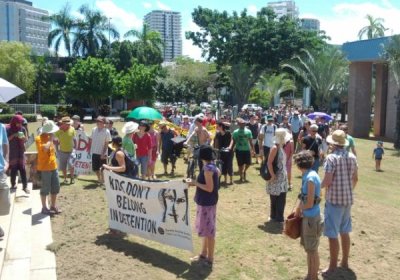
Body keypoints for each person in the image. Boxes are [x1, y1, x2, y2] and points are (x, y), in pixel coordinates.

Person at [321, 129, 358, 276]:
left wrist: (317, 187)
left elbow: (328, 180)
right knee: (345, 231)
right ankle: (344, 262)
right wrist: (348, 190)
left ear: (333, 144)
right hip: (347, 200)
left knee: (332, 234)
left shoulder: (331, 158)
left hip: (334, 200)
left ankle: (332, 267)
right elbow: (355, 178)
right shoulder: (352, 157)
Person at [187, 144, 221, 269]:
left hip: (207, 202)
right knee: (206, 229)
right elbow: (217, 175)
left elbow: (209, 188)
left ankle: (210, 258)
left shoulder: (208, 169)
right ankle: (203, 254)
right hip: (207, 202)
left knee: (209, 231)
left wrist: (195, 183)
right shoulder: (212, 166)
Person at [293, 151, 323, 280]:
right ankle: (310, 275)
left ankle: (313, 276)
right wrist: (299, 208)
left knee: (312, 251)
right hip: (309, 218)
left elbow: (310, 203)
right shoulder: (310, 174)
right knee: (310, 250)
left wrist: (299, 210)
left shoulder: (310, 179)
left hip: (311, 219)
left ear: (300, 164)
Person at [36, 121, 62, 215]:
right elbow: (45, 148)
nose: (53, 133)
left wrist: (53, 141)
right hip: (44, 168)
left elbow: (52, 150)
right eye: (51, 132)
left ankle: (53, 206)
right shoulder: (39, 138)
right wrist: (51, 139)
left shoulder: (50, 138)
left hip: (53, 166)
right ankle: (44, 208)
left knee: (55, 187)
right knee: (45, 188)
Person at [266, 128, 289, 223]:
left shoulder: (280, 147)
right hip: (276, 176)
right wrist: (272, 175)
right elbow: (269, 163)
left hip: (282, 177)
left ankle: (277, 216)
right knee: (276, 197)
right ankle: (276, 217)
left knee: (280, 197)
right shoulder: (275, 148)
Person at [6, 115, 28, 193]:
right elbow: (6, 140)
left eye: (21, 123)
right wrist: (14, 135)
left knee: (23, 169)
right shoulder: (8, 129)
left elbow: (26, 139)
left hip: (21, 151)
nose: (20, 124)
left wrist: (23, 138)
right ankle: (13, 185)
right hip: (12, 152)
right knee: (13, 169)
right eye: (18, 123)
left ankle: (25, 186)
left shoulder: (22, 128)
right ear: (14, 122)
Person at [229, 118, 254, 182]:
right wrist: (230, 148)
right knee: (240, 164)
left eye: (244, 123)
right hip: (239, 150)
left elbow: (251, 141)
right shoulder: (235, 132)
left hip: (247, 150)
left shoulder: (248, 131)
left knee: (248, 163)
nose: (243, 124)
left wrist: (253, 150)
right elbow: (233, 141)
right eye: (241, 123)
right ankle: (241, 176)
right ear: (239, 124)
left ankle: (244, 171)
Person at [54, 116, 76, 184]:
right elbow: (54, 139)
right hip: (62, 151)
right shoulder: (58, 131)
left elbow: (74, 139)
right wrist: (57, 149)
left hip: (71, 150)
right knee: (63, 166)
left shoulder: (72, 129)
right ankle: (65, 179)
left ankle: (72, 178)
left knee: (71, 164)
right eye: (67, 124)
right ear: (62, 124)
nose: (69, 125)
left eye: (69, 123)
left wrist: (75, 147)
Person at [90, 116, 111, 184]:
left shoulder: (106, 131)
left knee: (103, 168)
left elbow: (106, 144)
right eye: (97, 121)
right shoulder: (93, 129)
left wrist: (103, 153)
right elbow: (91, 139)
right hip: (94, 152)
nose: (98, 123)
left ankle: (103, 180)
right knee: (95, 168)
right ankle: (99, 179)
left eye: (100, 121)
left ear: (103, 123)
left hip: (103, 153)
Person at [0, 122, 9, 237]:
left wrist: (6, 160)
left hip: (0, 171)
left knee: (3, 201)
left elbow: (5, 144)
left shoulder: (1, 127)